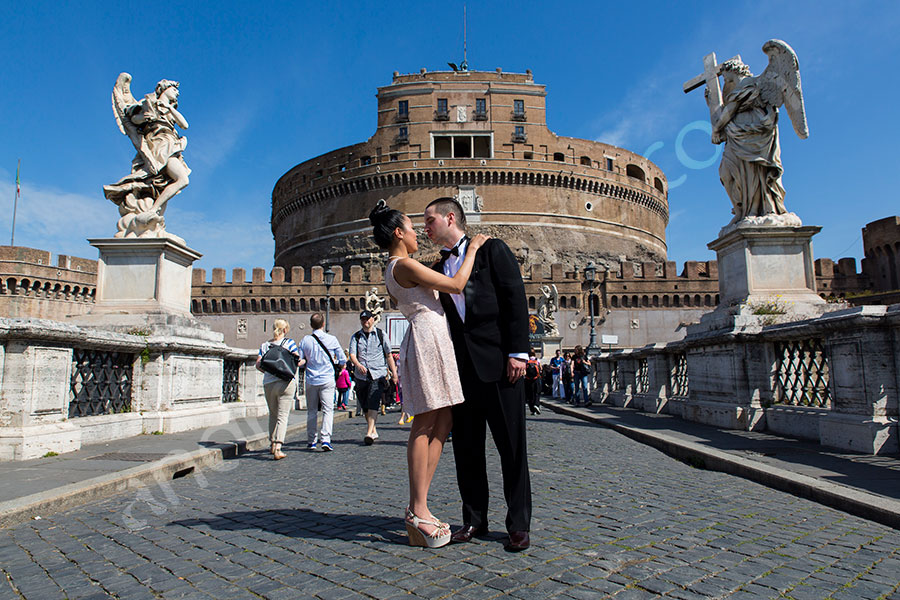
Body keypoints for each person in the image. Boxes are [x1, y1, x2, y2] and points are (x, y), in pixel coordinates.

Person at [371, 200, 488, 549]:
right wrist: (474, 249)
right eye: (411, 227)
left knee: (444, 420)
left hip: (433, 340)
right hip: (426, 342)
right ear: (398, 233)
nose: (418, 232)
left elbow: (428, 288)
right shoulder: (402, 264)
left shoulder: (403, 267)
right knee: (425, 422)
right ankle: (416, 509)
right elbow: (455, 285)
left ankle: (421, 504)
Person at [424, 197, 532, 552]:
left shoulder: (491, 250)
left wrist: (518, 352)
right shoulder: (440, 267)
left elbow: (515, 298)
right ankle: (474, 519)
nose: (426, 228)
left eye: (429, 221)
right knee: (467, 450)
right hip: (462, 372)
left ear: (450, 217)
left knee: (511, 449)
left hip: (501, 366)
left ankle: (518, 525)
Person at [349, 309, 398, 445]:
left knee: (373, 402)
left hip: (378, 373)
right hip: (361, 376)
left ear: (373, 319)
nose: (365, 321)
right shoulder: (356, 337)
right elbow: (352, 355)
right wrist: (358, 365)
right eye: (363, 319)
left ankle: (369, 432)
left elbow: (389, 355)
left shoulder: (381, 335)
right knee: (365, 405)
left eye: (367, 319)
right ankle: (373, 429)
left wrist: (394, 373)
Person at [298, 313, 346, 452]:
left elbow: (301, 362)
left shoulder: (305, 340)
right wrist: (337, 364)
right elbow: (342, 359)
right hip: (327, 379)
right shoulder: (332, 339)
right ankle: (325, 439)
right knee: (328, 410)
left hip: (311, 379)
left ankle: (311, 441)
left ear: (310, 325)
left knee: (312, 411)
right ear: (323, 324)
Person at [255, 319, 300, 461]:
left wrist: (270, 373)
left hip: (269, 383)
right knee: (282, 416)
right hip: (285, 383)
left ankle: (272, 444)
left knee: (273, 414)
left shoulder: (265, 345)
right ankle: (278, 447)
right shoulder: (289, 343)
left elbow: (258, 365)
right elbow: (297, 360)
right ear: (285, 330)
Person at [524, 350, 542, 416]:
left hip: (528, 379)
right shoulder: (537, 360)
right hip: (536, 378)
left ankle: (532, 409)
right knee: (537, 392)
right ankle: (536, 404)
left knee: (529, 394)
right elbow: (541, 368)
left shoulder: (526, 361)